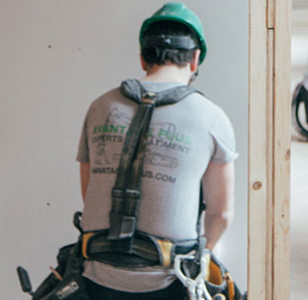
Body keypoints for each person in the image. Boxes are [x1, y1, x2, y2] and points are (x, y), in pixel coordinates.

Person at [75, 2, 238, 299]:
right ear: (195, 59)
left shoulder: (100, 107)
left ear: (142, 58)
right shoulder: (212, 117)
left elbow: (91, 194)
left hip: (96, 278)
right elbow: (221, 214)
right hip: (168, 283)